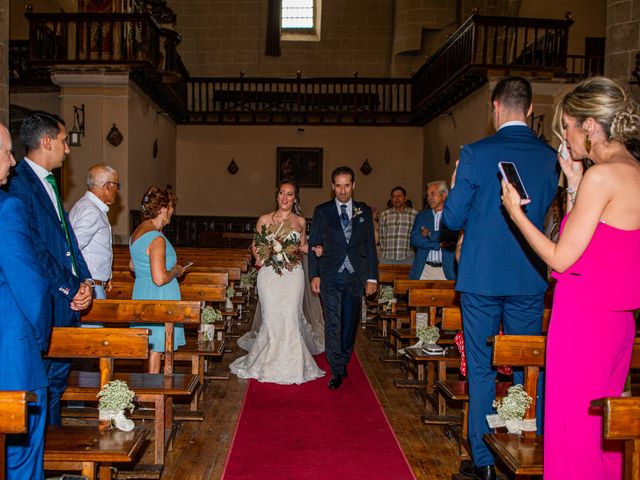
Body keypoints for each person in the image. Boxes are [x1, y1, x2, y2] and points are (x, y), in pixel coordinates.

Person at [501, 76, 640, 480]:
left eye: (567, 127)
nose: (566, 138)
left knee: (572, 429)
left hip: (583, 320)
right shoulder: (630, 170)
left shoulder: (603, 176)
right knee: (604, 430)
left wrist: (517, 214)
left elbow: (560, 258)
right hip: (618, 323)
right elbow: (606, 244)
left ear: (589, 126)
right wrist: (576, 184)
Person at [442, 77, 558, 480]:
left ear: (494, 108)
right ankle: (527, 452)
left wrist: (457, 185)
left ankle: (486, 463)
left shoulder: (475, 153)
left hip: (481, 278)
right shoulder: (549, 157)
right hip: (528, 275)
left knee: (481, 368)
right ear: (528, 109)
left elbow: (452, 219)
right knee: (529, 366)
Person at [8, 111, 93, 426]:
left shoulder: (49, 182)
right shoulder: (19, 185)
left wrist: (85, 280)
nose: (67, 148)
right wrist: (70, 287)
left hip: (66, 303)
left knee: (56, 384)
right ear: (46, 142)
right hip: (46, 302)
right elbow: (33, 249)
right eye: (63, 140)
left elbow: (66, 238)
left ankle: (52, 460)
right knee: (40, 387)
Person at [230, 179, 325, 384]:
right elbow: (255, 245)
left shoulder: (300, 222)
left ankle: (293, 364)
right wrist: (259, 256)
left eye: (289, 194)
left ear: (295, 198)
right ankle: (267, 361)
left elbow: (300, 247)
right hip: (269, 274)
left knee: (290, 316)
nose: (285, 198)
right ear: (277, 195)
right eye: (282, 193)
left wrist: (315, 249)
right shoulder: (264, 219)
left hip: (292, 274)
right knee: (271, 317)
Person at [0, 123, 51, 479]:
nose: (12, 160)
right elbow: (30, 284)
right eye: (5, 152)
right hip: (10, 353)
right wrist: (40, 339)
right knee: (20, 455)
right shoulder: (7, 208)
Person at [308, 166, 378, 390]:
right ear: (332, 187)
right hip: (330, 275)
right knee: (332, 323)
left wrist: (372, 279)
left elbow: (370, 247)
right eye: (338, 185)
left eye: (346, 185)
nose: (342, 190)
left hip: (356, 276)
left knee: (349, 324)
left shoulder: (364, 212)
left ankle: (345, 357)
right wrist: (315, 274)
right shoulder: (322, 211)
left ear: (353, 185)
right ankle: (336, 368)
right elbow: (314, 245)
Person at [129, 186, 187, 374]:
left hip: (142, 292)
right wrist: (176, 270)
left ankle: (148, 395)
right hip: (158, 296)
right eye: (171, 208)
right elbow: (160, 278)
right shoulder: (156, 238)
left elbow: (132, 265)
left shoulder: (137, 233)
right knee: (157, 349)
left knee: (150, 346)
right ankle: (150, 399)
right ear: (163, 209)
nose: (172, 213)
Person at [69, 164, 120, 300]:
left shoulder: (84, 205)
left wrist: (106, 276)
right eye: (117, 186)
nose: (117, 190)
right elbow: (72, 248)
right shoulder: (91, 211)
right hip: (89, 287)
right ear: (108, 187)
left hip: (93, 283)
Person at [409, 180, 457, 280]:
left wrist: (430, 234)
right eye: (427, 195)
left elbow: (452, 238)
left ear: (443, 195)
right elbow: (415, 239)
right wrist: (437, 244)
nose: (429, 198)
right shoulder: (422, 215)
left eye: (432, 194)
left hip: (446, 270)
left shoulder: (453, 216)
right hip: (424, 269)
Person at [378, 186, 417, 264]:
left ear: (405, 198)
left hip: (408, 257)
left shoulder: (414, 214)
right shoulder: (385, 215)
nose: (396, 198)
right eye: (394, 197)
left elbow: (416, 235)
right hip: (387, 258)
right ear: (391, 200)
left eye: (399, 196)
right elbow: (381, 236)